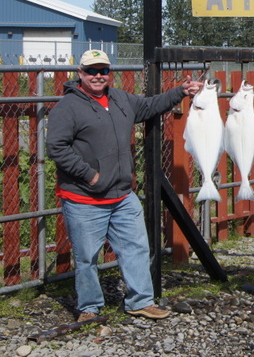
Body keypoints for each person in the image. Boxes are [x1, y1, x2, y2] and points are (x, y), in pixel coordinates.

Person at [47, 49, 203, 322]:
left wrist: (181, 91)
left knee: (135, 248)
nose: (98, 76)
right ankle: (89, 308)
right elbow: (56, 148)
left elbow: (149, 106)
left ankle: (139, 301)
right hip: (84, 198)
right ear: (80, 73)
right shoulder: (67, 107)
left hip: (122, 195)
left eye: (103, 71)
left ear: (109, 73)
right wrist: (90, 176)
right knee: (87, 258)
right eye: (91, 71)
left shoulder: (120, 99)